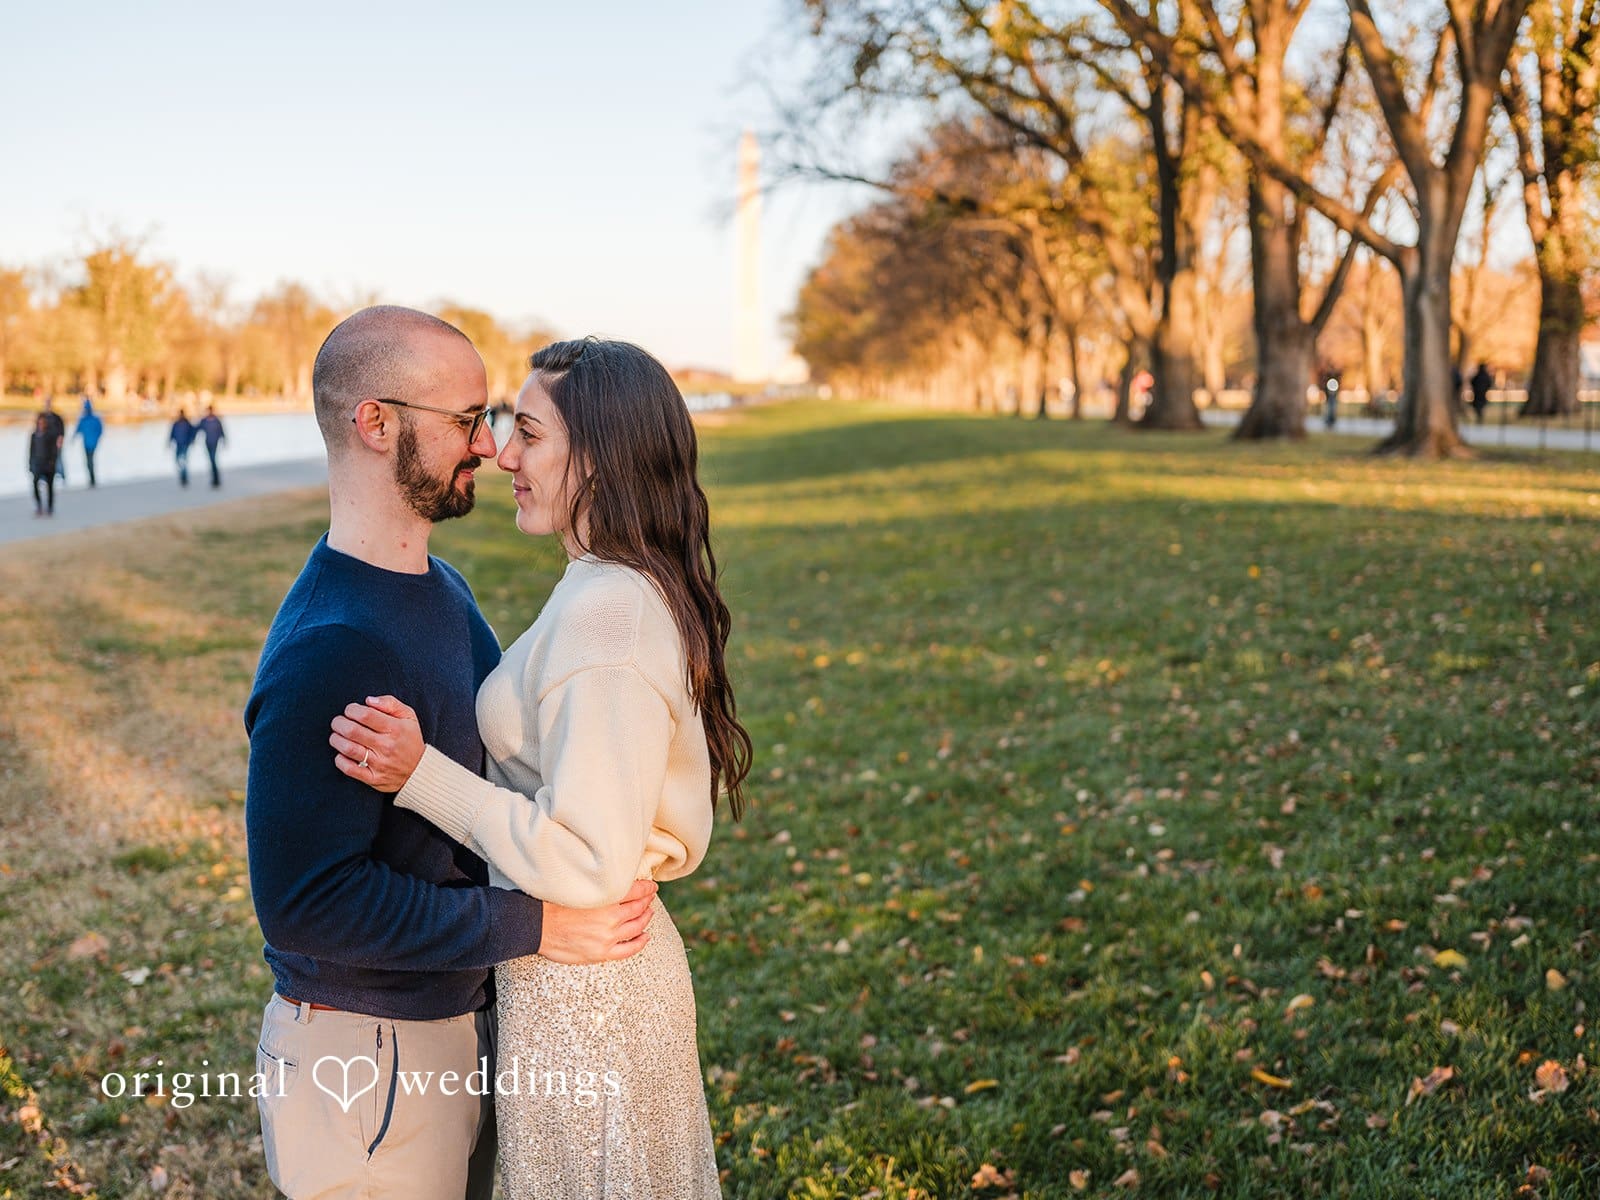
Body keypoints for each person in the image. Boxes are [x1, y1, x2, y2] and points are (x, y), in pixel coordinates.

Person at [244, 307, 659, 1200]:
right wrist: (540, 929)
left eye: (496, 420)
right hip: (364, 1060)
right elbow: (306, 907)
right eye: (468, 421)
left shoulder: (443, 591)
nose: (488, 448)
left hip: (447, 1029)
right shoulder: (334, 642)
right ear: (376, 422)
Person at [331, 337, 752, 1199]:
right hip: (578, 980)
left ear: (596, 457)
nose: (501, 453)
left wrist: (421, 777)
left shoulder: (608, 617)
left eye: (528, 431)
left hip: (590, 994)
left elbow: (590, 861)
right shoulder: (606, 583)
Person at [28, 414, 58, 516]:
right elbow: (31, 451)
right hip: (37, 464)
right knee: (35, 483)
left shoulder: (51, 435)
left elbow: (54, 451)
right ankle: (39, 506)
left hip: (49, 465)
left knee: (50, 487)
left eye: (43, 423)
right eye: (39, 423)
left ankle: (49, 508)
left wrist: (52, 463)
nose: (41, 425)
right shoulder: (34, 435)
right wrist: (30, 465)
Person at [74, 396, 104, 487]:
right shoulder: (84, 419)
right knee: (89, 461)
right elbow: (78, 429)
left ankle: (92, 480)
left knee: (89, 461)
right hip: (87, 443)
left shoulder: (94, 419)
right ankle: (92, 479)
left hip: (92, 444)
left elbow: (100, 430)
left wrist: (97, 439)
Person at [197, 404, 226, 487]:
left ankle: (216, 479)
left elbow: (221, 431)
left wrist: (224, 440)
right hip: (207, 443)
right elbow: (197, 429)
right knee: (211, 460)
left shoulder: (216, 420)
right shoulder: (204, 420)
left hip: (214, 442)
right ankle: (215, 479)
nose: (209, 412)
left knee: (213, 460)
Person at [39, 396, 65, 485]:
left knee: (58, 460)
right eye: (46, 403)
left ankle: (62, 477)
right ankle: (44, 478)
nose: (47, 405)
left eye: (49, 403)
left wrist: (60, 441)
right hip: (45, 444)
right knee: (44, 460)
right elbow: (38, 431)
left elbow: (61, 431)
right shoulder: (41, 416)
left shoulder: (57, 417)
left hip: (55, 443)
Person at [169, 409, 197, 486]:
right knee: (178, 461)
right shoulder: (176, 423)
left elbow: (193, 432)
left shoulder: (187, 423)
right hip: (178, 444)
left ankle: (184, 477)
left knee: (183, 460)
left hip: (185, 445)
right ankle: (183, 476)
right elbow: (172, 433)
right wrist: (169, 442)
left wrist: (192, 440)